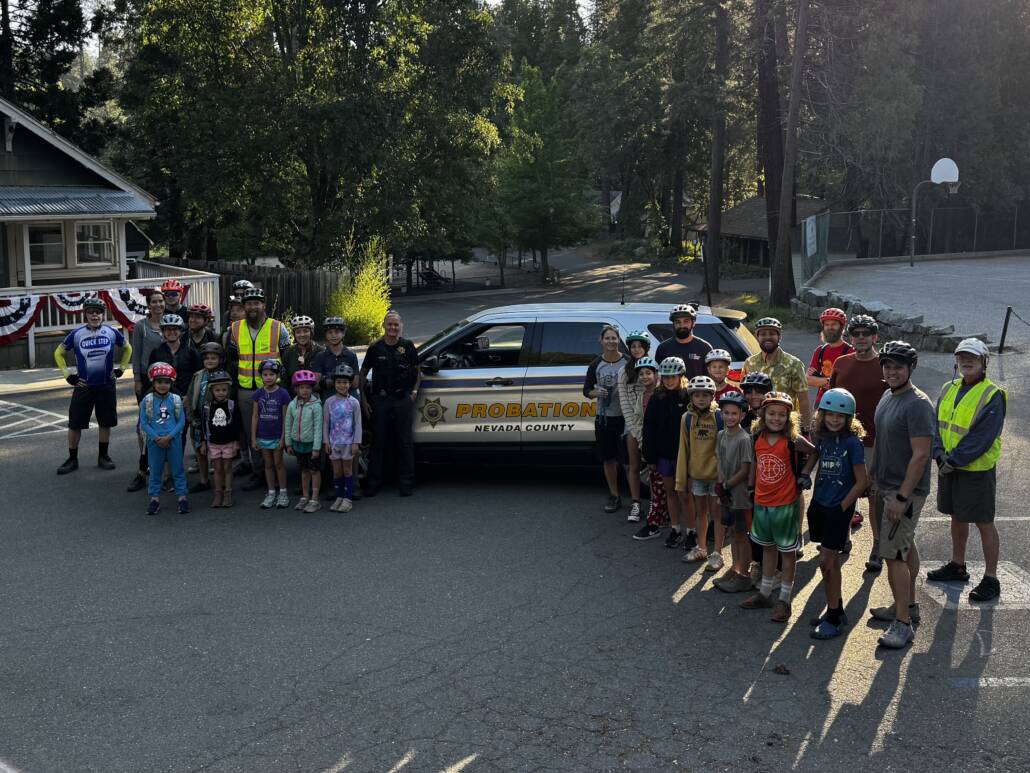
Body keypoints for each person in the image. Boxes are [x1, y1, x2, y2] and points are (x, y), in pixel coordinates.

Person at [927, 338, 1006, 602]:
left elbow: (982, 437)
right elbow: (937, 424)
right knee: (957, 516)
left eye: (972, 357)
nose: (966, 361)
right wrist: (938, 454)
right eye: (962, 357)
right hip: (949, 466)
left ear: (984, 362)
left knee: (984, 522)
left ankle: (991, 577)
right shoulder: (948, 388)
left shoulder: (993, 394)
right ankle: (957, 565)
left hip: (975, 470)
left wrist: (953, 460)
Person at [867, 341, 935, 650]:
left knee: (893, 555)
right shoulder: (888, 395)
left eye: (898, 366)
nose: (891, 371)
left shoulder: (918, 404)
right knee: (904, 546)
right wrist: (874, 480)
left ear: (911, 368)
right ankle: (906, 605)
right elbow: (883, 442)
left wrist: (902, 497)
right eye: (887, 365)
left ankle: (903, 624)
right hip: (885, 484)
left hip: (903, 491)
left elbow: (920, 455)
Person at [739, 391, 815, 623]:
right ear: (763, 414)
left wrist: (804, 474)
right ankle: (765, 592)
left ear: (789, 417)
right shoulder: (757, 437)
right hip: (762, 503)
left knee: (787, 553)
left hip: (785, 504)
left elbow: (813, 452)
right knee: (768, 549)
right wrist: (751, 489)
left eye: (782, 414)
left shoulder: (792, 440)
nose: (776, 418)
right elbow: (755, 465)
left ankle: (784, 599)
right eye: (772, 413)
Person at [801, 389, 868, 640]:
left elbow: (862, 481)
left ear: (849, 418)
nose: (835, 420)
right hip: (819, 503)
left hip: (837, 509)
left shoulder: (853, 443)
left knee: (826, 563)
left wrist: (843, 507)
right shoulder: (823, 437)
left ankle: (833, 616)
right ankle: (836, 609)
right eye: (830, 414)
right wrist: (805, 473)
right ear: (823, 415)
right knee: (829, 563)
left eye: (841, 416)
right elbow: (815, 454)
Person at [830, 314, 886, 561]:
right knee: (844, 491)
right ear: (850, 337)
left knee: (874, 496)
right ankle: (843, 537)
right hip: (843, 439)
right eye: (856, 333)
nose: (861, 338)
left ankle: (877, 545)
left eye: (866, 333)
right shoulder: (841, 363)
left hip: (875, 442)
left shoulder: (886, 364)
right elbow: (829, 401)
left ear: (875, 337)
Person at [55, 296, 132, 475]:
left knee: (105, 422)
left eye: (98, 313)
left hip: (106, 384)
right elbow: (58, 353)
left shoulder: (112, 332)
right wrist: (68, 376)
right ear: (85, 315)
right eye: (91, 313)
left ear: (103, 315)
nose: (95, 316)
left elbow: (128, 349)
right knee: (75, 424)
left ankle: (103, 456)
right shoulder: (77, 333)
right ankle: (72, 459)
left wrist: (121, 368)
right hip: (84, 385)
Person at [226, 286, 291, 490]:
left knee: (275, 430)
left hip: (274, 390)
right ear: (244, 307)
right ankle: (259, 473)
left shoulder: (278, 327)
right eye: (248, 304)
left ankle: (278, 469)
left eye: (256, 303)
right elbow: (231, 359)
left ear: (264, 305)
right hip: (247, 390)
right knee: (252, 431)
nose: (252, 307)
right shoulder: (235, 329)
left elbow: (287, 358)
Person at [358, 311, 419, 497]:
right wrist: (364, 399)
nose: (392, 328)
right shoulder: (375, 347)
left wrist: (414, 391)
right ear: (384, 326)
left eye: (396, 325)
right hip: (381, 401)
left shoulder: (408, 346)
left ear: (401, 326)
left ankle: (406, 483)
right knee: (378, 443)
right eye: (389, 324)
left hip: (401, 400)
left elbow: (418, 371)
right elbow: (362, 373)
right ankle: (374, 482)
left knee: (405, 443)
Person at [676, 375, 724, 569]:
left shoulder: (719, 416)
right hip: (697, 475)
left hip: (716, 476)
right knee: (700, 513)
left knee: (717, 514)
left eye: (705, 395)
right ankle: (702, 548)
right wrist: (683, 477)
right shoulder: (686, 418)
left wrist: (723, 477)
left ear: (712, 396)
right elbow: (683, 448)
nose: (701, 399)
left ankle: (717, 553)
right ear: (691, 397)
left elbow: (724, 448)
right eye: (697, 395)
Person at [642, 357, 691, 548]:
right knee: (670, 492)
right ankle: (675, 528)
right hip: (663, 455)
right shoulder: (657, 397)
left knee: (685, 494)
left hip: (684, 455)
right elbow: (649, 428)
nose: (670, 380)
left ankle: (692, 531)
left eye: (674, 376)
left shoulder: (688, 396)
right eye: (667, 376)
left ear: (681, 376)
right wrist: (650, 455)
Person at [712, 391, 755, 593]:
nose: (729, 417)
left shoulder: (744, 439)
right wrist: (720, 485)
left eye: (734, 413)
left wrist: (727, 485)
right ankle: (736, 568)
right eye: (726, 413)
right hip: (727, 494)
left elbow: (745, 470)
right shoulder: (721, 435)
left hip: (740, 496)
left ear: (742, 415)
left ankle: (744, 574)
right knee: (732, 532)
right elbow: (719, 460)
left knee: (741, 535)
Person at [584, 325, 629, 514]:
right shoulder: (596, 364)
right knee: (608, 459)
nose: (611, 341)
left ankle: (635, 499)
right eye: (607, 338)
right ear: (601, 341)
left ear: (619, 340)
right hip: (604, 419)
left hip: (625, 418)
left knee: (628, 461)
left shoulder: (627, 362)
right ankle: (614, 495)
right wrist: (596, 392)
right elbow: (586, 390)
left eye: (614, 338)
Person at [742, 318, 812, 428]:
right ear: (757, 337)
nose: (767, 337)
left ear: (780, 336)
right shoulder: (749, 363)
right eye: (763, 334)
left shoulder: (794, 364)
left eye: (772, 333)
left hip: (785, 424)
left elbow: (803, 400)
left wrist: (806, 428)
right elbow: (745, 395)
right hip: (757, 425)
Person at [128, 290, 167, 492]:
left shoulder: (172, 323)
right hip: (146, 379)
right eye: (154, 302)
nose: (158, 305)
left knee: (166, 422)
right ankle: (144, 468)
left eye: (161, 301)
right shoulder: (141, 327)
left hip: (167, 381)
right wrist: (136, 379)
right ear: (148, 304)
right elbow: (136, 356)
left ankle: (165, 470)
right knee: (145, 425)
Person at [139, 362, 189, 515]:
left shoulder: (175, 399)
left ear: (171, 383)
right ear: (153, 382)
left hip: (173, 440)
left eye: (166, 382)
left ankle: (182, 498)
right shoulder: (147, 401)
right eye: (159, 382)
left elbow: (181, 421)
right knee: (155, 471)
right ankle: (154, 499)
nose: (162, 385)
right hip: (155, 442)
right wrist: (157, 438)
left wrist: (169, 437)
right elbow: (144, 423)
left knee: (178, 470)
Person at [630, 357, 668, 540]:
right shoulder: (641, 396)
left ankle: (656, 520)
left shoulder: (662, 394)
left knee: (665, 485)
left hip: (664, 448)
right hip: (649, 446)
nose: (645, 377)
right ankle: (659, 518)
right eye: (641, 374)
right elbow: (637, 420)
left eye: (648, 373)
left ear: (656, 374)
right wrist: (642, 440)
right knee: (656, 484)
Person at [619, 331, 652, 523]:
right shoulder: (623, 372)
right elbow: (624, 402)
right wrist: (635, 430)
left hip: (653, 425)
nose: (636, 349)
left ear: (646, 348)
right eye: (633, 346)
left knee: (655, 468)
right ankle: (636, 503)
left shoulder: (653, 368)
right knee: (634, 465)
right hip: (633, 425)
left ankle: (657, 504)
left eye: (640, 346)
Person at [184, 342, 226, 493]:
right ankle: (204, 480)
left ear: (220, 359)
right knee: (200, 451)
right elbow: (189, 397)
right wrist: (190, 416)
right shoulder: (198, 376)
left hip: (217, 421)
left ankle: (220, 484)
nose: (210, 360)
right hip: (198, 420)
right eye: (207, 358)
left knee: (216, 452)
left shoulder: (223, 376)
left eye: (213, 358)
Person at [251, 359, 291, 509]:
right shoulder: (257, 394)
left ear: (278, 375)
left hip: (277, 437)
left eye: (272, 374)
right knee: (267, 465)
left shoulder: (283, 394)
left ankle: (283, 492)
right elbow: (255, 416)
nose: (268, 377)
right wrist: (254, 438)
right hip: (263, 436)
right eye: (265, 374)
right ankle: (271, 492)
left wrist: (283, 438)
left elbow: (286, 418)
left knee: (279, 464)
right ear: (261, 376)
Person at [323, 365, 363, 512]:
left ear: (350, 384)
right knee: (337, 472)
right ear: (334, 383)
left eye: (345, 382)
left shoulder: (354, 402)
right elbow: (326, 422)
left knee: (347, 471)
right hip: (334, 442)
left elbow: (358, 423)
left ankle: (347, 498)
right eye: (339, 382)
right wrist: (326, 441)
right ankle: (339, 497)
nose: (342, 385)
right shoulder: (328, 402)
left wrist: (356, 442)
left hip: (348, 442)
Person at [201, 370, 242, 508]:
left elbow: (237, 424)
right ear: (211, 390)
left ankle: (228, 492)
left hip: (229, 442)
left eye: (224, 390)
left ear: (228, 390)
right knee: (217, 468)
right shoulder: (207, 406)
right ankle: (218, 493)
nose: (220, 392)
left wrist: (237, 441)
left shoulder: (231, 405)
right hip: (213, 443)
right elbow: (203, 424)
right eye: (217, 390)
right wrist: (203, 442)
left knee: (227, 468)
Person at [285, 369, 324, 513]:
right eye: (301, 387)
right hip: (298, 444)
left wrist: (316, 447)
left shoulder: (316, 406)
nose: (305, 391)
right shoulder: (292, 405)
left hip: (311, 445)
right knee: (304, 471)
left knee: (314, 471)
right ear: (296, 389)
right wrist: (288, 443)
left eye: (308, 387)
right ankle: (305, 496)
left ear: (312, 388)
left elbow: (318, 427)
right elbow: (288, 424)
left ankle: (315, 498)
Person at [148, 314, 202, 398]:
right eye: (168, 329)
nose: (172, 332)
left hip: (186, 397)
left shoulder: (191, 351)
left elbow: (198, 376)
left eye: (175, 329)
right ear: (163, 331)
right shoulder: (156, 352)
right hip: (163, 397)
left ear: (180, 331)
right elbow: (151, 377)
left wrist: (189, 396)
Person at [807, 307, 854, 402]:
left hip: (843, 402)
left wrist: (819, 380)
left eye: (834, 324)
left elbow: (847, 382)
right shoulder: (820, 351)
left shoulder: (851, 351)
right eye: (827, 324)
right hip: (821, 401)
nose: (829, 328)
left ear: (842, 327)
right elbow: (808, 379)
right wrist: (830, 381)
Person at [655, 304, 713, 379]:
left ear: (693, 323)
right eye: (678, 322)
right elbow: (659, 377)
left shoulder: (705, 348)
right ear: (673, 324)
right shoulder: (663, 348)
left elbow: (711, 378)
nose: (682, 325)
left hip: (697, 390)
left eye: (686, 321)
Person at [311, 317, 360, 402]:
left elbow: (355, 384)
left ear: (343, 333)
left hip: (348, 400)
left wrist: (330, 379)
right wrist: (326, 382)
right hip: (328, 399)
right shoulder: (321, 356)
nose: (333, 335)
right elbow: (315, 385)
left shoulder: (351, 355)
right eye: (330, 332)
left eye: (337, 332)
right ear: (326, 335)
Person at [282, 315, 325, 397]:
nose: (302, 335)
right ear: (294, 334)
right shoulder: (288, 353)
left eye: (305, 331)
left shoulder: (321, 351)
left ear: (311, 332)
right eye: (298, 332)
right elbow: (285, 380)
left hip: (316, 399)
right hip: (294, 399)